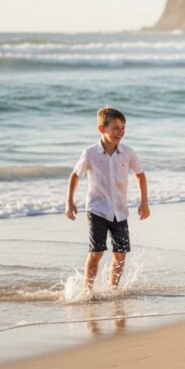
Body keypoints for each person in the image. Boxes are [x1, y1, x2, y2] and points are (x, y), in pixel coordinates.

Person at [65, 106, 150, 293]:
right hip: (97, 209)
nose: (120, 132)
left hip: (120, 211)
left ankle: (113, 289)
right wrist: (69, 201)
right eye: (115, 128)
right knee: (96, 252)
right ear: (102, 129)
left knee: (121, 254)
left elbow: (140, 175)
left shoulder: (128, 152)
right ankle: (88, 291)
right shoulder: (90, 153)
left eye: (123, 128)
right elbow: (75, 175)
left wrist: (144, 202)